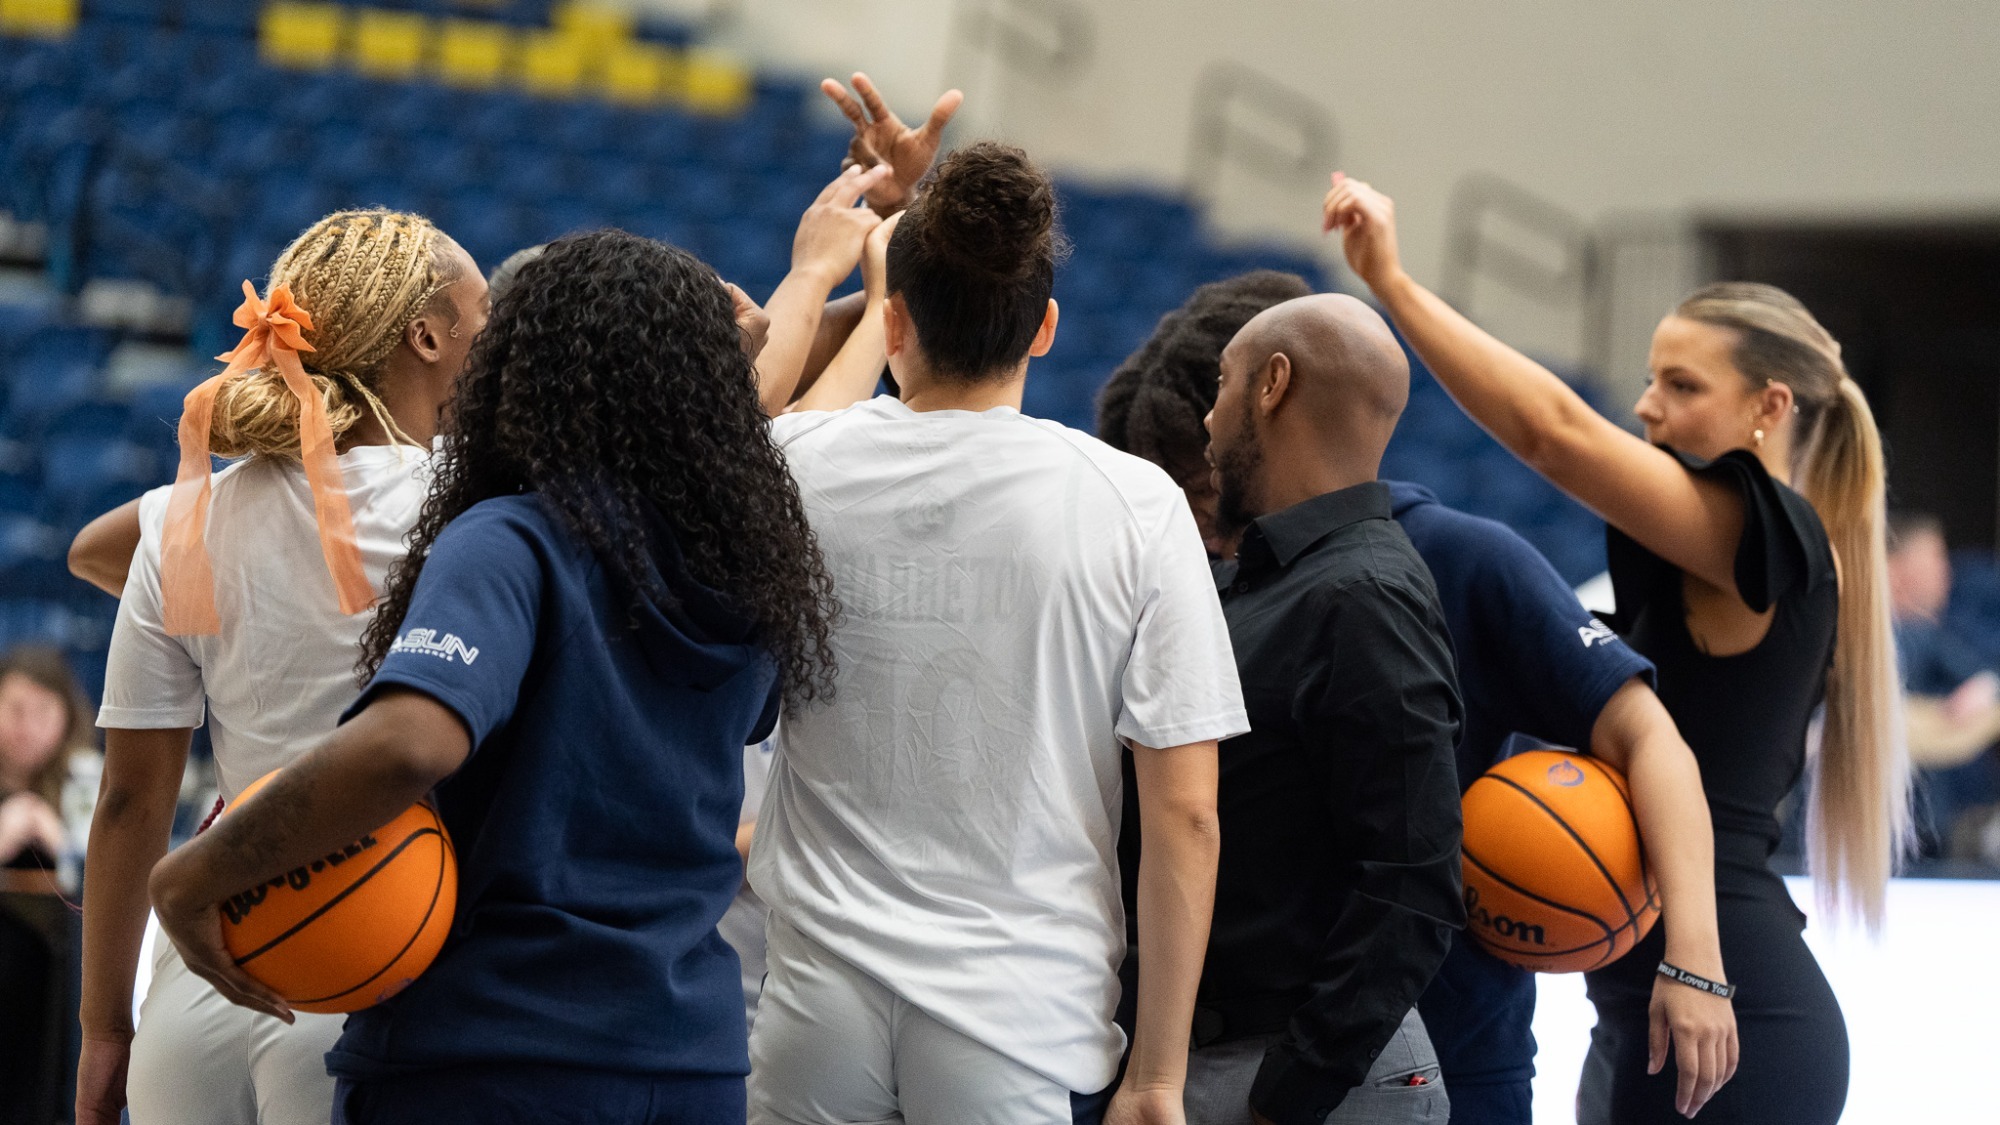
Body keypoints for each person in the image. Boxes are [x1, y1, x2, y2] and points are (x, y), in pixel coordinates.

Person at [146, 227, 843, 1125]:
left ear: (521, 370)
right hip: (689, 1059)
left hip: (490, 1049)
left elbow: (409, 742)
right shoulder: (742, 566)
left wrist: (192, 875)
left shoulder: (512, 538)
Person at [1326, 174, 1909, 1125]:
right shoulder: (1714, 552)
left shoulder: (1767, 536)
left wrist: (1392, 284)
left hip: (1725, 1007)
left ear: (1768, 407)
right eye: (1649, 378)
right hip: (1650, 1007)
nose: (1648, 406)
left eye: (1682, 385)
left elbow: (1551, 435)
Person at [1098, 274, 1738, 1123]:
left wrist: (1693, 957)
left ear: (1272, 391)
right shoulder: (1236, 586)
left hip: (1422, 1050)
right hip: (1277, 1044)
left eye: (1193, 483)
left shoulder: (1447, 561)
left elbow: (1646, 737)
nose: (1195, 511)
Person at [749, 141, 1244, 1125]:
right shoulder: (1136, 505)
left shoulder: (794, 460)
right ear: (1047, 327)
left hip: (814, 1006)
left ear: (892, 321)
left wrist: (843, 276)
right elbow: (1184, 817)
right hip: (1017, 1016)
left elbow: (753, 408)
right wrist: (1154, 1078)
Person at [73, 209, 485, 1125]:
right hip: (378, 952)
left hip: (204, 968)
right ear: (426, 336)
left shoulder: (184, 518)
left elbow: (133, 802)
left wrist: (106, 1030)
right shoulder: (477, 504)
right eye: (482, 320)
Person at [1138, 292, 1460, 1125]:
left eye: (1223, 384)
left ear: (1273, 384)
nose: (1209, 421)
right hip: (1235, 1060)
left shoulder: (1365, 596)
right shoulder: (1273, 579)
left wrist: (1292, 1094)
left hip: (1306, 1079)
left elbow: (1414, 878)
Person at [1885, 511, 2000, 856]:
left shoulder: (1927, 636)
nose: (1946, 575)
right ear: (1895, 568)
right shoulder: (1869, 634)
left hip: (1927, 820)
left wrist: (1983, 688)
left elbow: (1981, 675)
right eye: (1935, 560)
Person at [0, 645, 92, 871]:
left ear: (68, 717)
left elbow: (113, 878)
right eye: (16, 710)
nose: (28, 730)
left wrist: (62, 846)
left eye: (42, 714)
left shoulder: (86, 774)